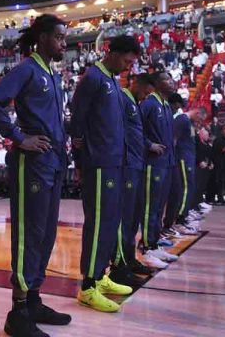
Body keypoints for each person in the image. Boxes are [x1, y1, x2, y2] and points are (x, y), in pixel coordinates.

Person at [0, 14, 71, 335]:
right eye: (59, 37)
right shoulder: (27, 70)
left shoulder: (52, 74)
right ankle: (17, 311)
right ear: (44, 37)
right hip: (31, 163)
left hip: (53, 162)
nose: (64, 43)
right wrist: (19, 137)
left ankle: (33, 298)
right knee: (28, 235)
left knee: (46, 234)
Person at [71, 35, 140, 313]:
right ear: (111, 53)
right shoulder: (94, 78)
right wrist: (80, 162)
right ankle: (88, 286)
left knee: (110, 222)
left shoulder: (113, 79)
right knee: (98, 224)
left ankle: (100, 276)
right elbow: (77, 123)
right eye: (126, 61)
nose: (128, 67)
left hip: (114, 162)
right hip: (98, 163)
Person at [112, 73, 156, 283]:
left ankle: (129, 259)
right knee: (124, 218)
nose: (146, 97)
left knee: (134, 218)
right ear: (137, 83)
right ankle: (119, 266)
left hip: (138, 164)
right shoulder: (122, 98)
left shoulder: (135, 103)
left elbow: (137, 134)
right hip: (127, 165)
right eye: (146, 92)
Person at [139, 72, 180, 266]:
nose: (171, 83)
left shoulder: (165, 106)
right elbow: (135, 129)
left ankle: (154, 245)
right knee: (150, 206)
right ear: (156, 83)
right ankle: (146, 248)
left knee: (158, 207)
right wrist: (149, 145)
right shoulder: (149, 104)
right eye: (167, 79)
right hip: (152, 162)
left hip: (166, 163)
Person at [165, 94, 206, 236]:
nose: (200, 121)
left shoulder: (188, 122)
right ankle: (179, 220)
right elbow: (173, 140)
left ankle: (183, 217)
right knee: (186, 188)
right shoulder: (182, 120)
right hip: (182, 159)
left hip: (188, 158)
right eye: (200, 118)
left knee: (189, 187)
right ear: (197, 112)